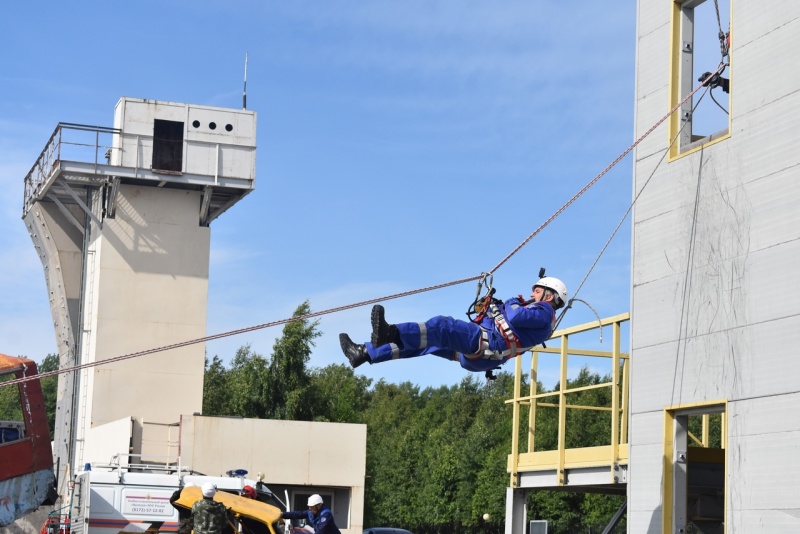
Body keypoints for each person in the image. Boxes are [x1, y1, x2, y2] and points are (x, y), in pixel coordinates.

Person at [339, 276, 567, 374]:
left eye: (536, 291)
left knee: (442, 327)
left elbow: (515, 316)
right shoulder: (540, 318)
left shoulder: (545, 312)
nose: (531, 294)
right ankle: (364, 353)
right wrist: (489, 308)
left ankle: (391, 332)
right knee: (426, 344)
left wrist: (511, 302)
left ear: (549, 296)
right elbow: (511, 323)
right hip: (485, 352)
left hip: (488, 344)